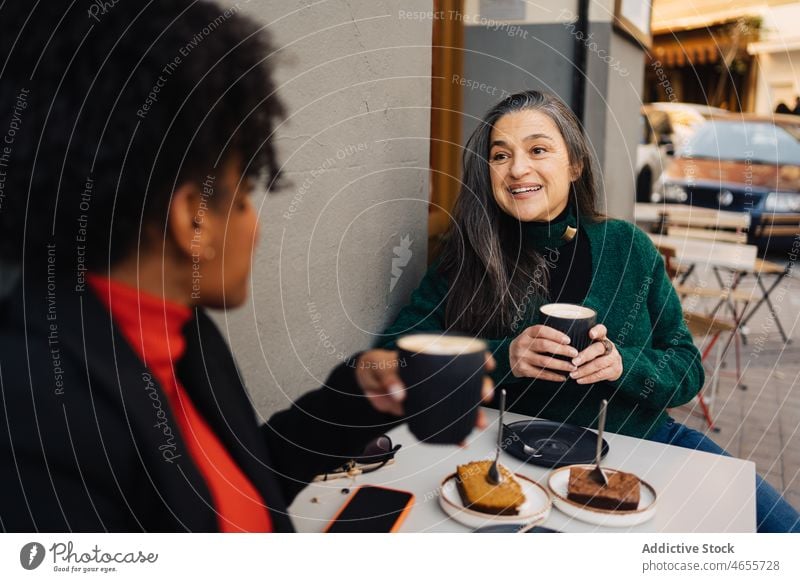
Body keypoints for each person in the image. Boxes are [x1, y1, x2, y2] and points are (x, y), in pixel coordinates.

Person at [0, 1, 492, 532]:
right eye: (244, 197)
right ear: (193, 219)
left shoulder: (186, 337)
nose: (255, 229)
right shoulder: (37, 417)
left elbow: (249, 484)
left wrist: (355, 397)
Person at [378, 90, 799, 532]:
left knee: (784, 534)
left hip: (642, 441)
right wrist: (504, 358)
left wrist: (624, 364)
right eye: (500, 155)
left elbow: (687, 370)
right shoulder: (468, 254)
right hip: (510, 451)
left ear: (574, 165)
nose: (518, 168)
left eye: (538, 149)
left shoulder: (627, 247)